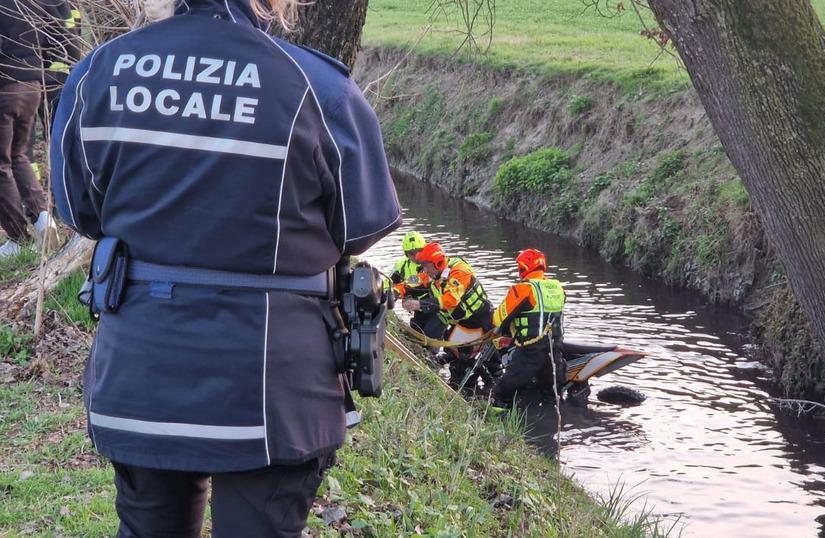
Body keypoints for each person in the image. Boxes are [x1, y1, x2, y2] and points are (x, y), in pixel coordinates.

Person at [50, 0, 401, 536]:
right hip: (273, 392)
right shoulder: (316, 86)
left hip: (140, 376)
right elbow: (361, 226)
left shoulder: (97, 73)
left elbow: (80, 212)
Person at [0, 0, 65, 257]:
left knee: (2, 164)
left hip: (4, 87)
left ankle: (18, 238)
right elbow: (56, 38)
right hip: (32, 86)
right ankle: (43, 219)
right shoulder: (33, 3)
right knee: (18, 157)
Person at [404, 241, 500, 387]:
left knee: (469, 362)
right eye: (423, 267)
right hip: (461, 324)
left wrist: (420, 304)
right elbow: (412, 281)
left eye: (426, 266)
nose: (424, 271)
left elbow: (451, 299)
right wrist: (395, 290)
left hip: (480, 320)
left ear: (438, 263)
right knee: (454, 358)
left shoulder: (459, 272)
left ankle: (488, 385)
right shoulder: (430, 274)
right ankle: (466, 381)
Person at [491, 248, 567, 407]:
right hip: (555, 351)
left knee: (502, 393)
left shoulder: (523, 289)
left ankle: (500, 419)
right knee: (551, 398)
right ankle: (552, 421)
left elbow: (498, 319)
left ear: (523, 268)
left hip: (530, 352)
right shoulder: (558, 288)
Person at [391, 230, 446, 344]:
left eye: (418, 252)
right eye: (411, 253)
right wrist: (394, 293)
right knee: (416, 334)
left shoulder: (436, 265)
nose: (415, 256)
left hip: (438, 310)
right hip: (419, 309)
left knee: (431, 335)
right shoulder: (403, 266)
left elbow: (449, 300)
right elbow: (413, 281)